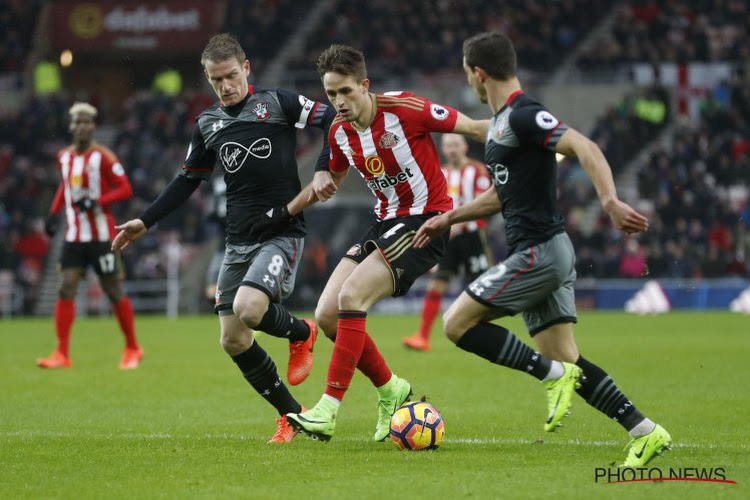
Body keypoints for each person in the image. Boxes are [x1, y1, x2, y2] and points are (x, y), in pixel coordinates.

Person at [414, 32, 671, 467]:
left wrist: (608, 200)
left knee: (456, 324)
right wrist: (449, 217)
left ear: (478, 73)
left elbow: (583, 145)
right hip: (545, 251)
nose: (469, 84)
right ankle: (645, 431)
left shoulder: (523, 115)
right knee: (565, 355)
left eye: (467, 74)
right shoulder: (500, 125)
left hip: (539, 253)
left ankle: (552, 378)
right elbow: (501, 196)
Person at [112, 33, 337, 443]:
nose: (226, 86)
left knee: (251, 309)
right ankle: (292, 414)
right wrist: (144, 221)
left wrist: (324, 167)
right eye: (216, 81)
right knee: (233, 339)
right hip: (238, 239)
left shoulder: (278, 103)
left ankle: (302, 333)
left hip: (282, 231)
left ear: (246, 67)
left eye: (231, 76)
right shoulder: (207, 124)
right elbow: (186, 181)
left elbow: (334, 119)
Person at [284, 44, 489, 442]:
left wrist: (526, 139)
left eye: (345, 91)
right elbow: (331, 179)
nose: (338, 102)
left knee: (352, 296)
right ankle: (391, 389)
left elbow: (474, 128)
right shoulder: (340, 132)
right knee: (327, 315)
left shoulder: (406, 109)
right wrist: (288, 210)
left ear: (364, 85)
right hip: (383, 224)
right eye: (331, 95)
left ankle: (327, 409)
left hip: (425, 222)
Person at [37, 102, 143, 370]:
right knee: (66, 286)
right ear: (71, 126)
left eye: (86, 122)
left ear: (93, 126)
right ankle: (61, 353)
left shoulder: (104, 157)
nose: (81, 126)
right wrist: (53, 212)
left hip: (101, 237)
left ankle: (132, 347)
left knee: (112, 289)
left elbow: (125, 188)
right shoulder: (64, 156)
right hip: (73, 236)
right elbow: (65, 185)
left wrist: (97, 201)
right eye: (77, 122)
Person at [402, 133, 493, 351]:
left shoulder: (477, 171)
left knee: (482, 287)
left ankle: (484, 334)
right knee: (436, 284)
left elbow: (484, 205)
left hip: (472, 237)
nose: (452, 149)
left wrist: (457, 225)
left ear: (464, 147)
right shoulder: (441, 173)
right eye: (448, 145)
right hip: (448, 240)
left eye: (455, 144)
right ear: (443, 149)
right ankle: (422, 336)